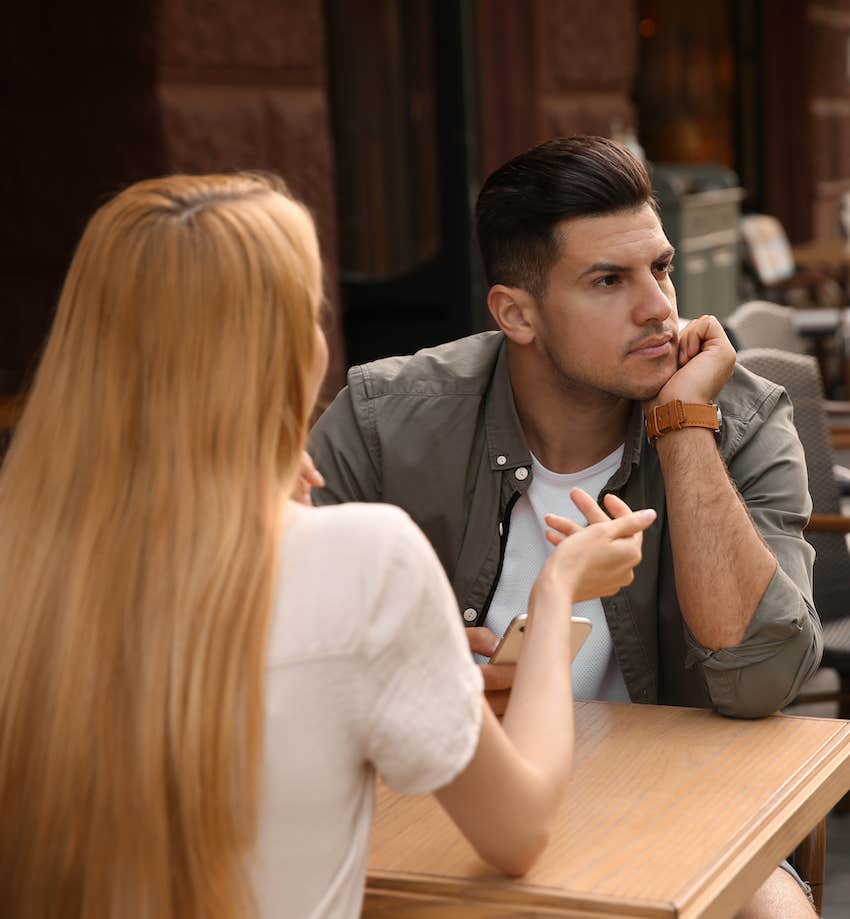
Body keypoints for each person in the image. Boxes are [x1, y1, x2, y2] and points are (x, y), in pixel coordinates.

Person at [0, 173, 655, 918]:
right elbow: (522, 826)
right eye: (310, 311)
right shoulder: (364, 559)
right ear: (278, 353)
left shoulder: (25, 561)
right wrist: (558, 585)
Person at [308, 137, 822, 917]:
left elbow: (761, 680)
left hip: (674, 808)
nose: (658, 306)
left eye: (662, 267)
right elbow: (272, 636)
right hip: (448, 807)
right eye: (609, 280)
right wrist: (415, 663)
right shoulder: (387, 421)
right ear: (516, 312)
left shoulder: (739, 417)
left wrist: (683, 425)